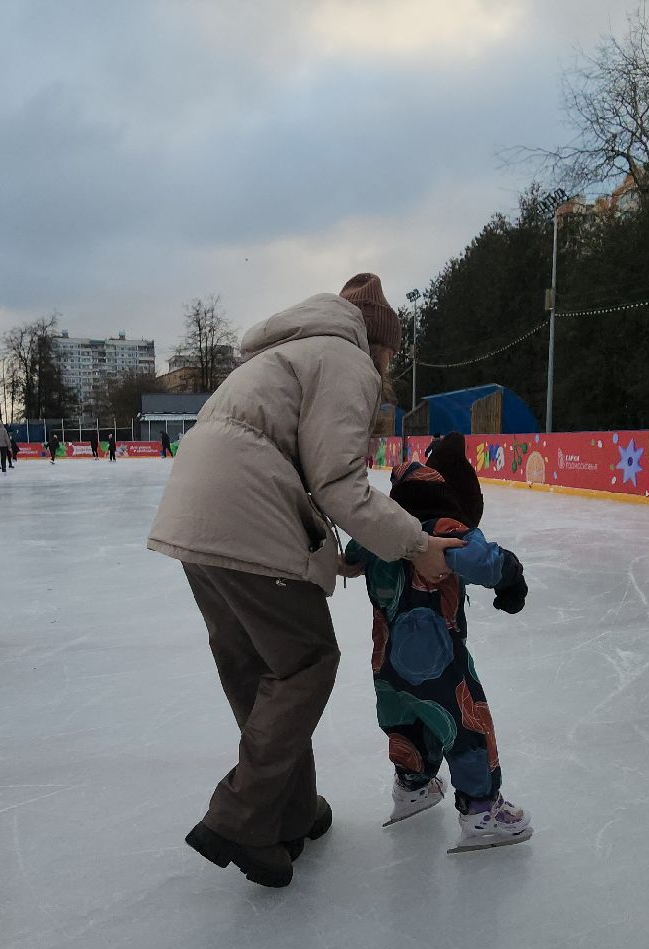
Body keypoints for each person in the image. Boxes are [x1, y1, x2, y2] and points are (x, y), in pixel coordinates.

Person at [148, 272, 464, 888]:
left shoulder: (286, 352)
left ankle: (287, 812)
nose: (388, 367)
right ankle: (240, 817)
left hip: (198, 521)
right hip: (246, 519)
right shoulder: (346, 359)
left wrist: (331, 552)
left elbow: (289, 466)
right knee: (305, 664)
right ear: (378, 342)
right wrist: (418, 545)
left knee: (260, 671)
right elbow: (338, 483)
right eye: (392, 354)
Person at [344, 431, 532, 852]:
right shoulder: (445, 529)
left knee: (407, 720)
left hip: (387, 660)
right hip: (439, 658)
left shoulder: (385, 532)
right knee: (466, 726)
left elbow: (353, 555)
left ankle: (412, 786)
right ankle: (482, 810)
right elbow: (482, 560)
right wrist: (512, 577)